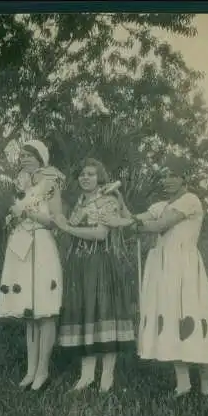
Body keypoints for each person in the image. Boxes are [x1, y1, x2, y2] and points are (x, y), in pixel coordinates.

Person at [98, 157, 208, 398]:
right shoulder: (160, 204)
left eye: (173, 175)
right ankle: (183, 383)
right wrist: (120, 199)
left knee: (193, 317)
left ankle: (207, 384)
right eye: (164, 176)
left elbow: (158, 226)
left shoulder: (190, 201)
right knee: (174, 319)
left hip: (185, 267)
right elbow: (135, 218)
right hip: (165, 269)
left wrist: (121, 223)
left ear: (184, 178)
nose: (167, 180)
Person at [52, 158, 135, 393]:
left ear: (100, 177)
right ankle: (86, 375)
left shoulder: (109, 200)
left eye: (91, 174)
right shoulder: (80, 202)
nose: (85, 177)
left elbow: (100, 234)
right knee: (84, 314)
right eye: (82, 174)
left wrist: (67, 228)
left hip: (101, 263)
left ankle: (107, 376)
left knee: (104, 312)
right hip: (80, 265)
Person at [0, 139, 65, 391]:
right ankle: (30, 370)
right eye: (22, 155)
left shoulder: (51, 183)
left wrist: (27, 214)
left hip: (41, 246)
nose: (24, 159)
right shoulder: (22, 185)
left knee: (44, 311)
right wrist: (11, 219)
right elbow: (16, 213)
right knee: (29, 313)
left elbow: (56, 220)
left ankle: (43, 370)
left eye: (30, 155)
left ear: (40, 158)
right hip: (21, 248)